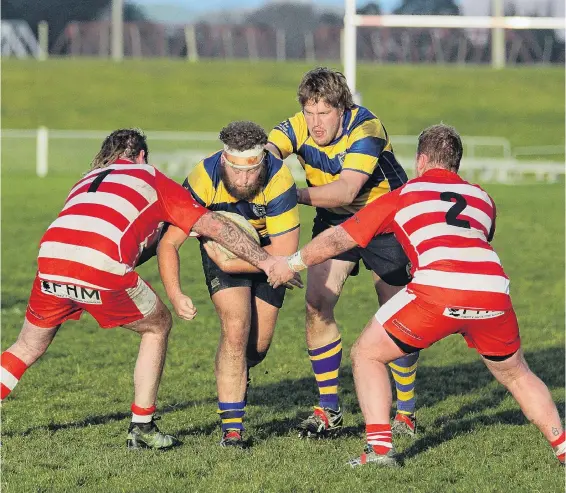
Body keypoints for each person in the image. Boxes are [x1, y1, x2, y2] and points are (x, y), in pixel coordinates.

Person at [267, 123, 566, 467]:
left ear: (421, 160)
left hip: (437, 289)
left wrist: (291, 263)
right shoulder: (483, 198)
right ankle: (561, 446)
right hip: (492, 290)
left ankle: (380, 451)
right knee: (516, 373)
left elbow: (339, 240)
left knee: (367, 354)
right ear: (456, 163)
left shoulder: (405, 194)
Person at [0, 128, 284, 450]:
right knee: (157, 325)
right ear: (141, 156)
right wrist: (266, 261)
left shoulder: (85, 180)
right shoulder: (151, 177)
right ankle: (142, 427)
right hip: (100, 264)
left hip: (51, 259)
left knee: (25, 347)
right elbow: (214, 226)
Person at [266, 67, 420, 437]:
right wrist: (258, 170)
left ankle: (406, 411)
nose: (315, 123)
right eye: (309, 112)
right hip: (335, 223)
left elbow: (347, 190)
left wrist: (289, 195)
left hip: (386, 221)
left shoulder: (367, 128)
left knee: (395, 315)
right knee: (317, 303)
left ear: (343, 108)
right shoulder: (295, 126)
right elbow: (268, 157)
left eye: (324, 113)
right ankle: (328, 408)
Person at [158, 121, 300, 447]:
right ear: (224, 160)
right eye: (236, 171)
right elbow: (169, 243)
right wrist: (176, 293)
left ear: (263, 161)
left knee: (256, 349)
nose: (244, 180)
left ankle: (235, 373)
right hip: (219, 251)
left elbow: (282, 257)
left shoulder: (279, 179)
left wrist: (228, 261)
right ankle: (232, 431)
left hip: (265, 258)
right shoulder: (202, 178)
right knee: (235, 328)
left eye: (252, 171)